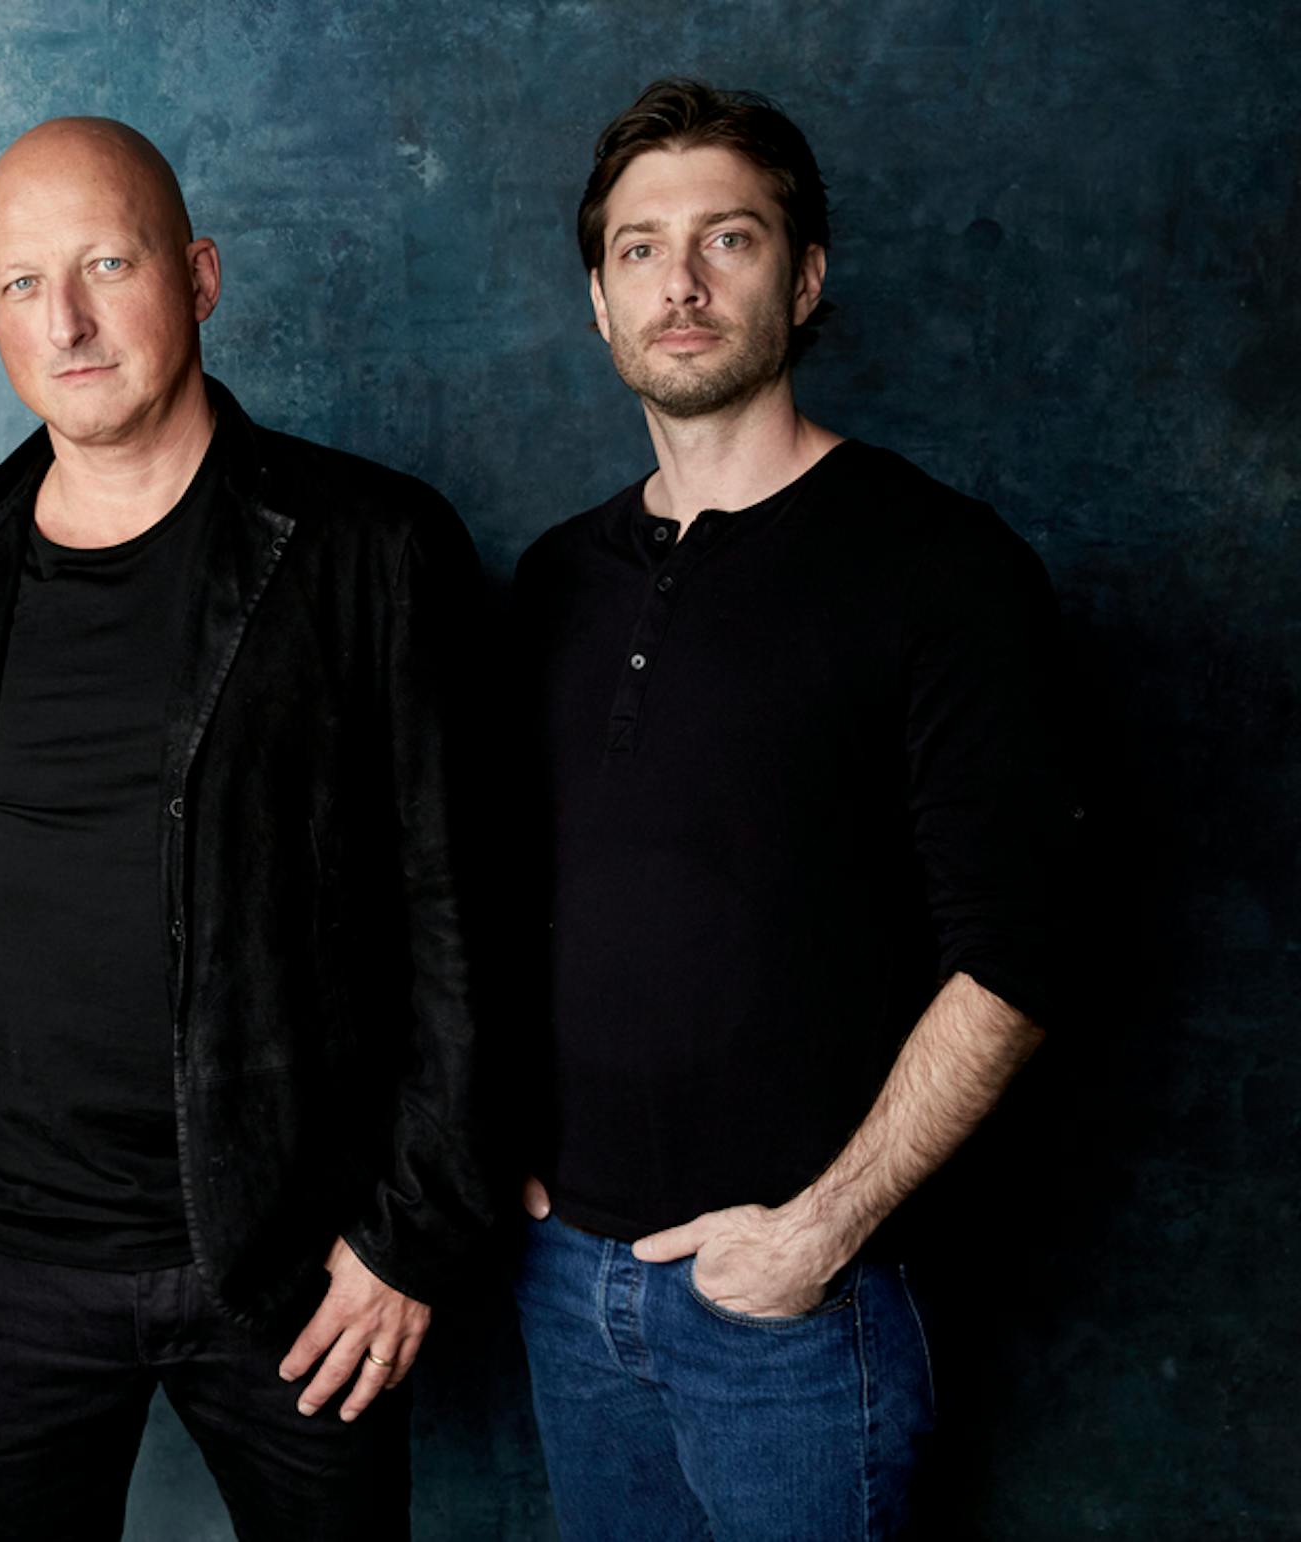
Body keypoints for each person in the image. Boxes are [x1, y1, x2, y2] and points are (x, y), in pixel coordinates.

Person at [0, 117, 495, 1539]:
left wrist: (405, 1238)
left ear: (201, 275)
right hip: (18, 1264)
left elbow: (460, 910)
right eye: (23, 283)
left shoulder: (371, 544)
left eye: (108, 262)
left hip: (295, 1261)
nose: (69, 319)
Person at [511, 79, 1072, 1540]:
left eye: (730, 239)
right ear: (598, 297)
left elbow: (1018, 953)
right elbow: (510, 892)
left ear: (805, 275)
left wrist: (820, 1230)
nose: (680, 284)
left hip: (796, 1310)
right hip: (569, 1280)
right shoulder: (553, 582)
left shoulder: (941, 569)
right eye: (641, 248)